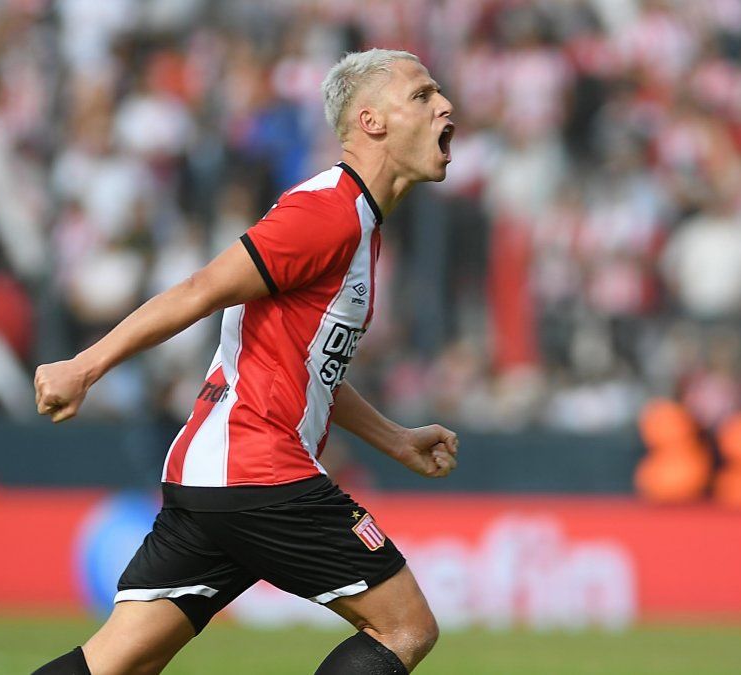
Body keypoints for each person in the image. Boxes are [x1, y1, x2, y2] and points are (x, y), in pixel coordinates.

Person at [32, 49, 459, 675]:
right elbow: (200, 288)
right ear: (371, 121)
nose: (444, 106)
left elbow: (308, 368)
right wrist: (84, 367)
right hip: (260, 470)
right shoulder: (327, 213)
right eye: (422, 95)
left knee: (115, 663)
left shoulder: (359, 224)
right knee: (405, 627)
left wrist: (394, 439)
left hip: (212, 474)